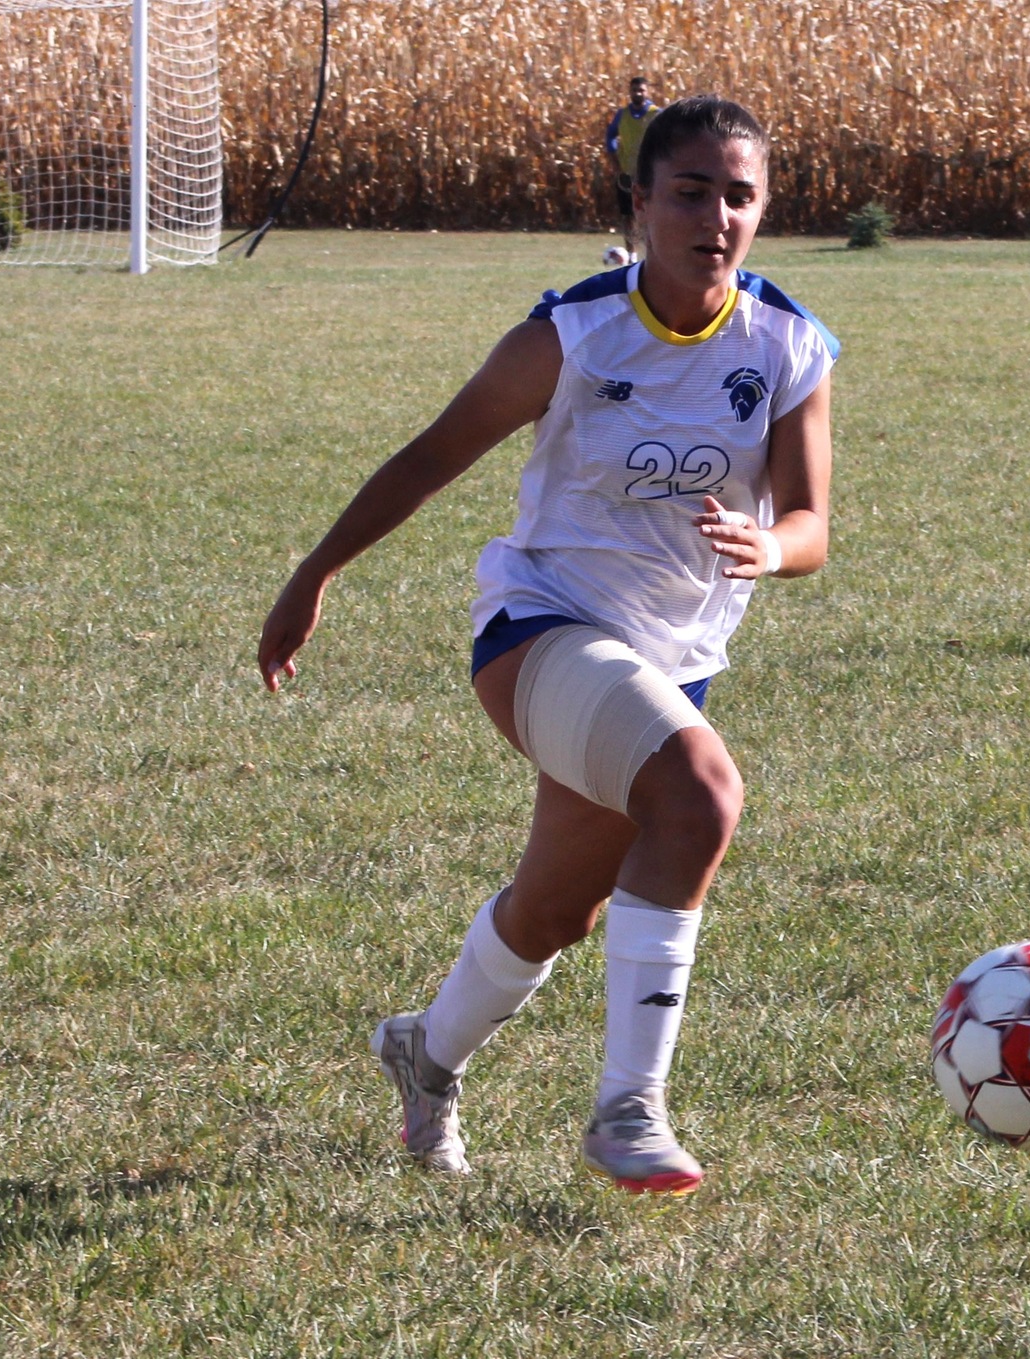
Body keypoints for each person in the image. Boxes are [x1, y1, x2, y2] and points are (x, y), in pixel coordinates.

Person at [259, 96, 836, 1195]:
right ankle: (629, 1110)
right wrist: (315, 571)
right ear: (640, 200)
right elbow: (429, 458)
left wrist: (770, 546)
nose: (713, 215)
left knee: (553, 913)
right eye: (688, 192)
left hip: (668, 663)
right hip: (539, 630)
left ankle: (422, 1057)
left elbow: (811, 525)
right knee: (700, 795)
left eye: (738, 196)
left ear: (760, 213)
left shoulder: (789, 345)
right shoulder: (569, 334)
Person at [602, 77, 659, 261]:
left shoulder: (656, 114)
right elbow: (610, 135)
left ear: (648, 91)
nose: (638, 93)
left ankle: (654, 253)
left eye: (641, 90)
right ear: (630, 92)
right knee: (628, 216)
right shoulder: (622, 115)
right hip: (626, 175)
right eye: (634, 90)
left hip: (650, 175)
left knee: (652, 214)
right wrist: (615, 160)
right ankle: (632, 256)